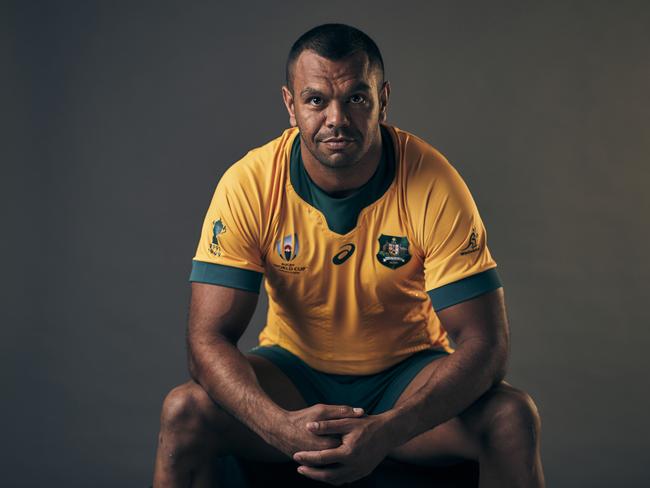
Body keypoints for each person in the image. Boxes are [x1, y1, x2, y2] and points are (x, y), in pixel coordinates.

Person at [152, 23, 545, 487]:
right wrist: (277, 424)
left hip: (406, 377)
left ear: (383, 98)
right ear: (290, 104)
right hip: (294, 378)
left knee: (512, 416)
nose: (337, 118)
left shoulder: (433, 181)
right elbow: (207, 340)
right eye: (316, 100)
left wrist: (389, 429)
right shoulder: (250, 183)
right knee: (184, 409)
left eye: (356, 98)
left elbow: (487, 344)